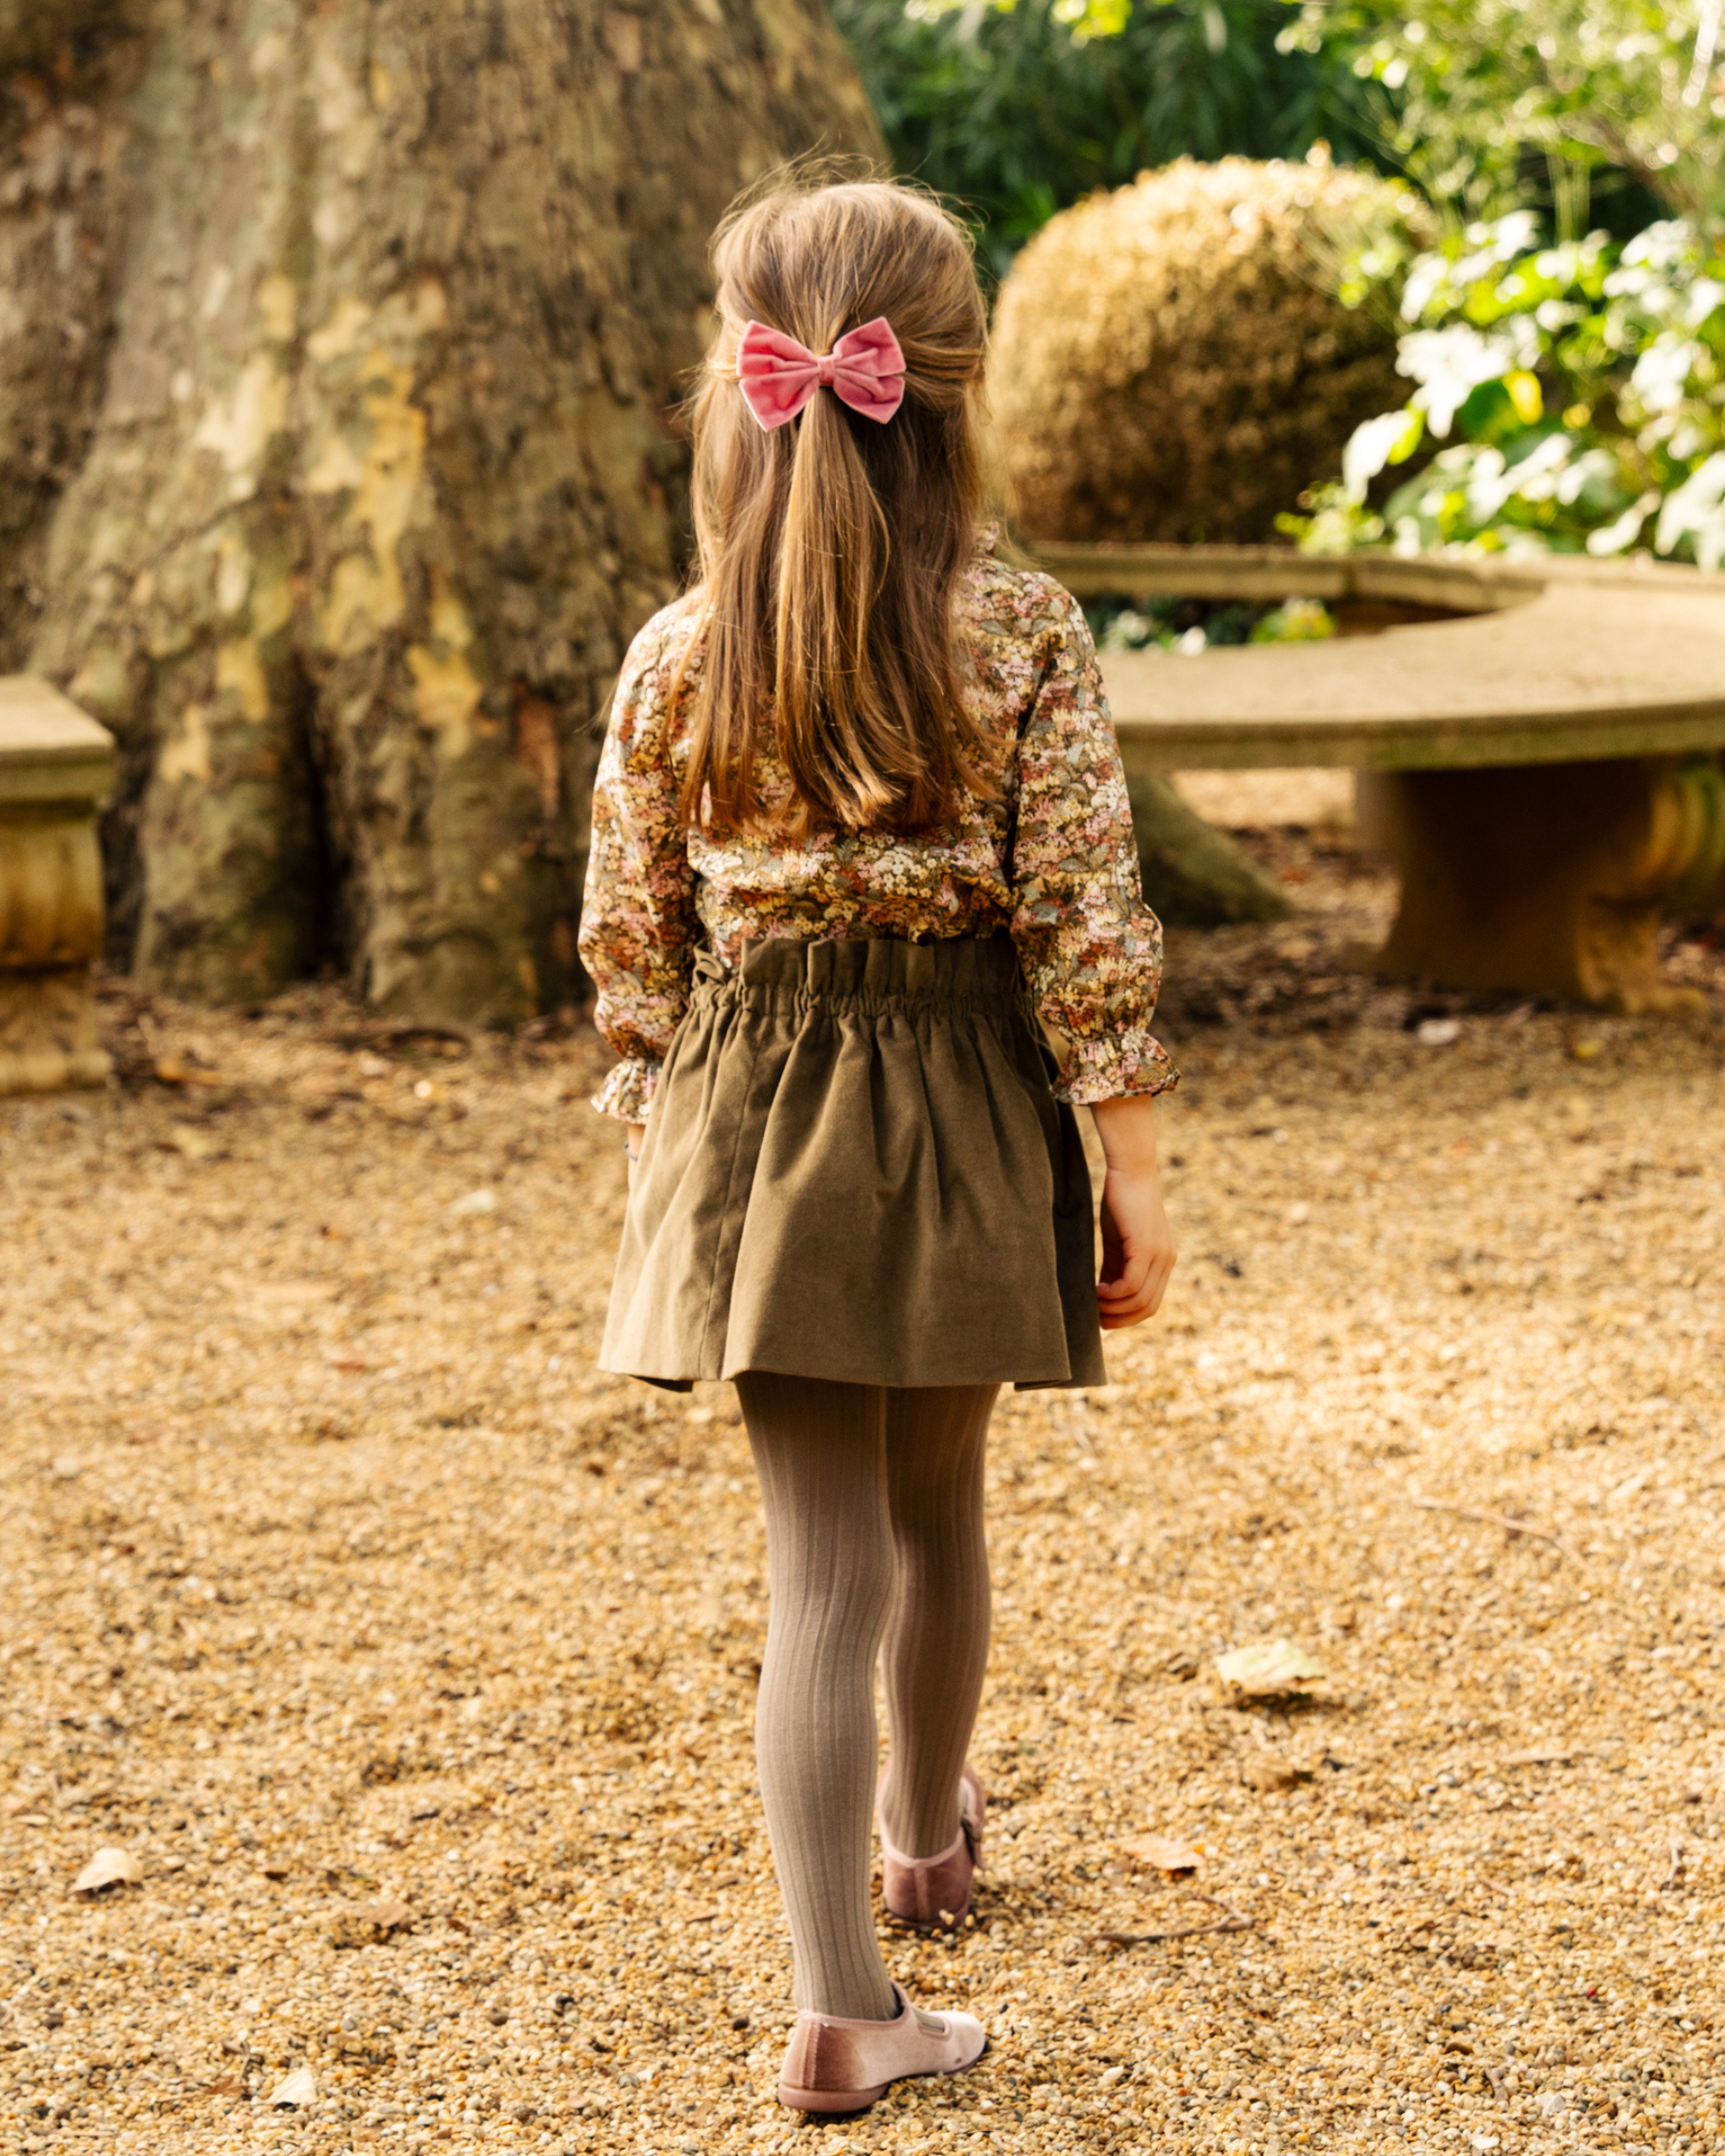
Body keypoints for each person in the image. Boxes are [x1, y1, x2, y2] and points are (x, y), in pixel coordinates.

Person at [578, 173, 1177, 2118]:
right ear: (959, 389)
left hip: (754, 1116)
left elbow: (627, 939)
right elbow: (1085, 913)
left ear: (741, 398)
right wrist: (1133, 1169)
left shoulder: (681, 653)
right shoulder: (1021, 630)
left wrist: (666, 1134)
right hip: (963, 1101)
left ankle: (849, 1989)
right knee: (942, 1505)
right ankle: (925, 1835)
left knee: (817, 1566)